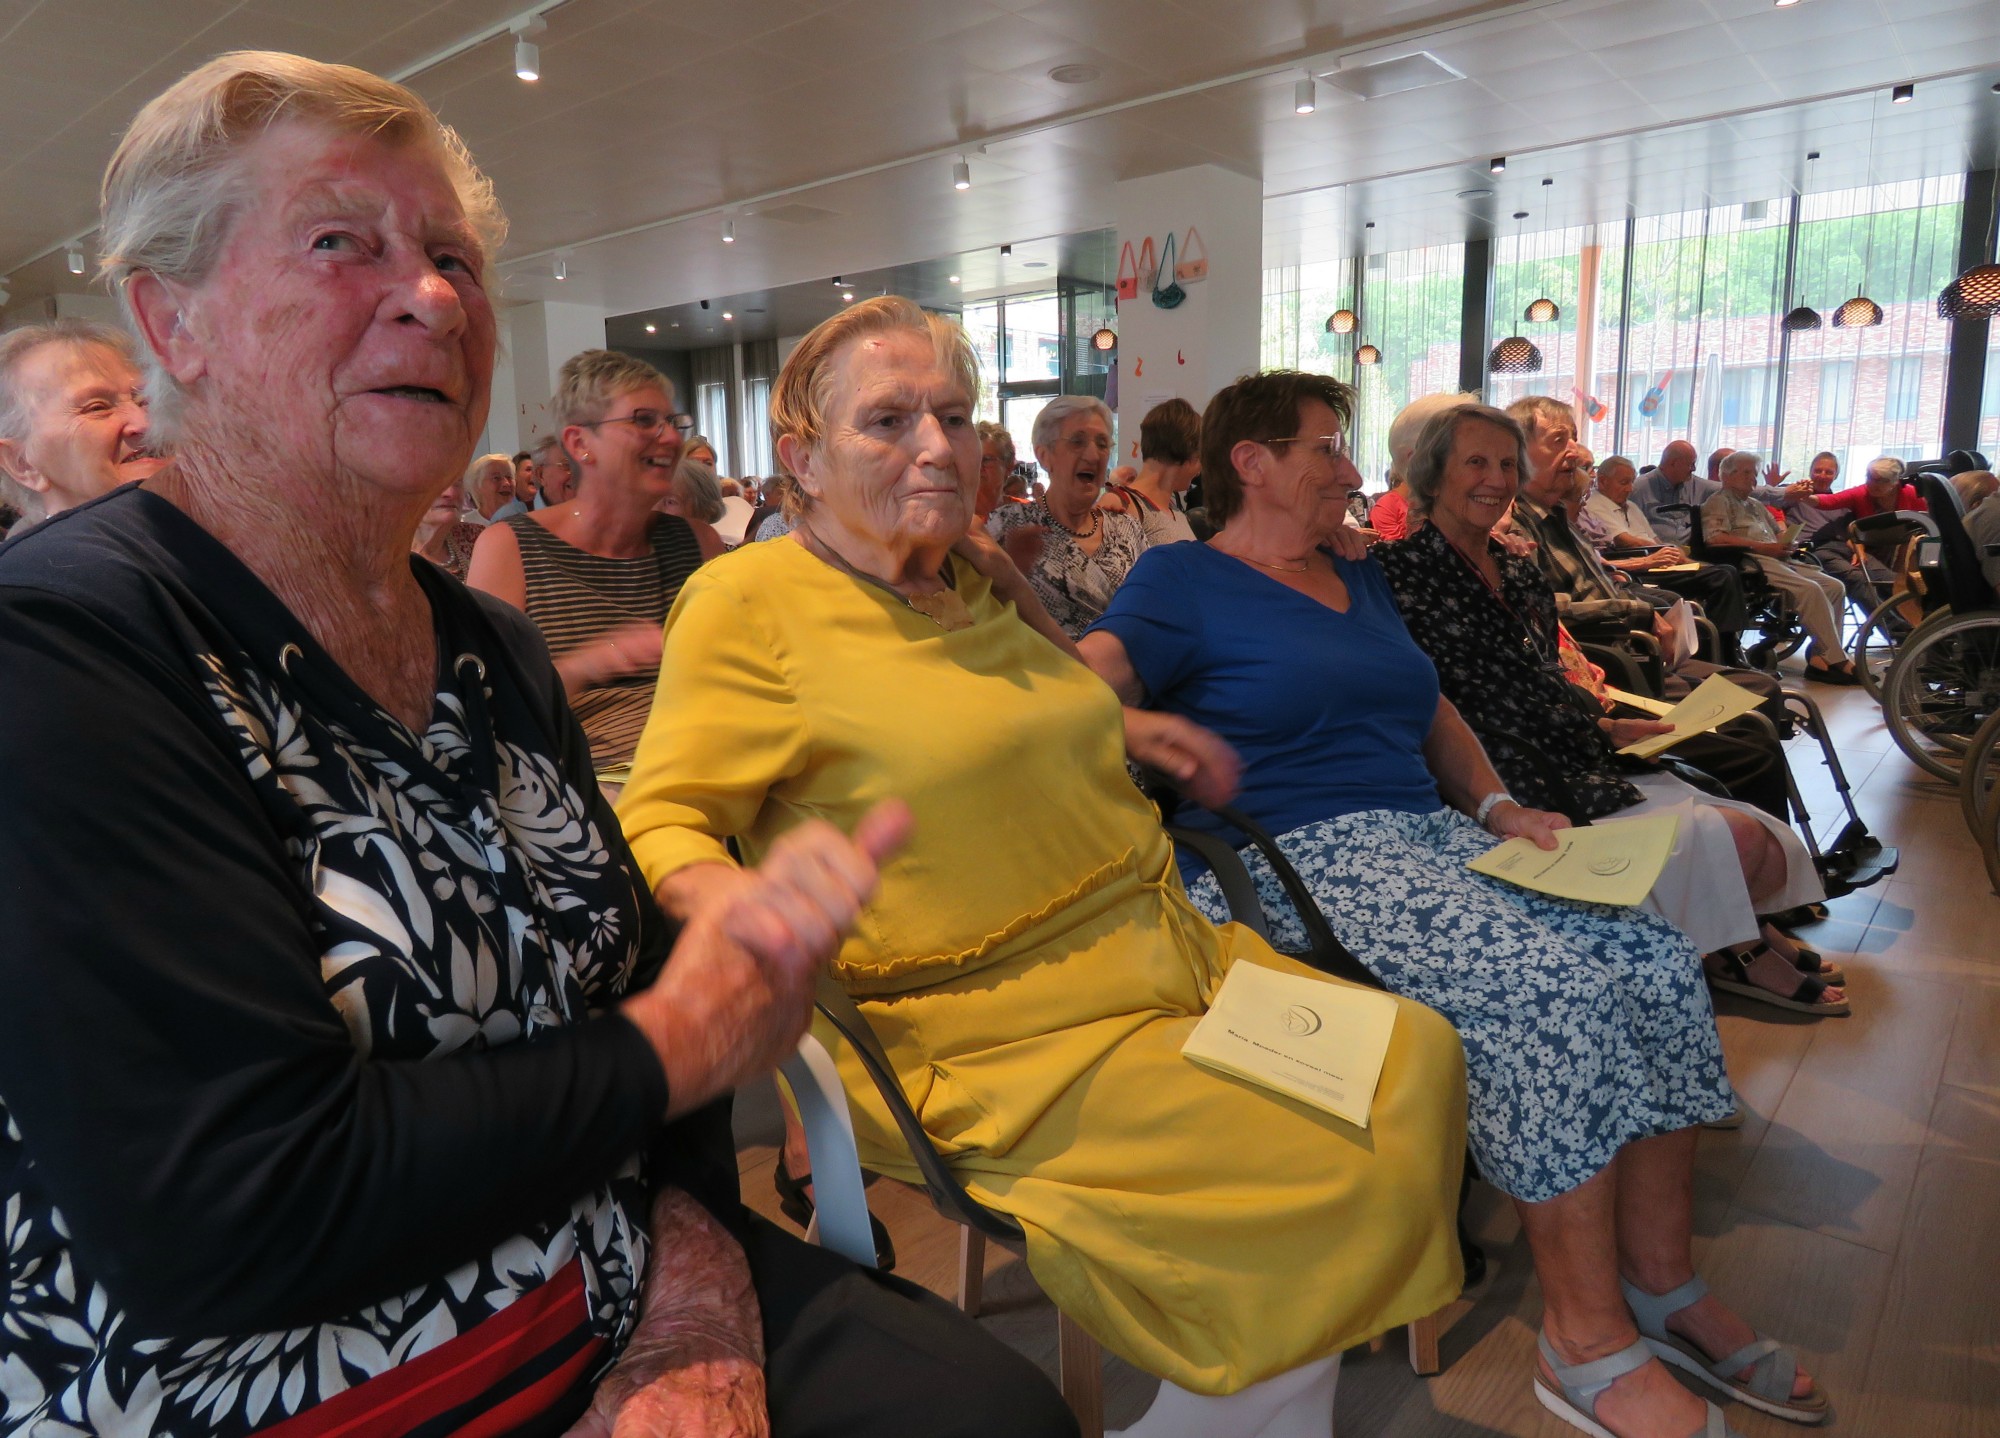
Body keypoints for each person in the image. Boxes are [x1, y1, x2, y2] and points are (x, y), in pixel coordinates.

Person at [0, 52, 1077, 1438]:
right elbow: (232, 1210)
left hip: (599, 1266)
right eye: (343, 243)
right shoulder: (67, 647)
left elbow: (625, 998)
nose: (435, 293)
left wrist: (692, 1287)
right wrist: (675, 1041)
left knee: (990, 1408)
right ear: (175, 318)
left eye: (453, 256)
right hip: (270, 1375)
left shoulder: (489, 650)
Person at [618, 297, 1468, 1433]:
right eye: (886, 420)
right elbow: (663, 815)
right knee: (1303, 1154)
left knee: (1407, 1059)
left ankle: (1236, 1408)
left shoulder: (961, 580)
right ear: (800, 463)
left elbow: (1011, 703)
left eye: (954, 416)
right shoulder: (746, 601)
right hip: (989, 1032)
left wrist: (1119, 729)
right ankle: (1232, 1413)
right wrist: (739, 902)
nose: (934, 444)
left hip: (1162, 958)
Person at [1080, 367, 1828, 1438]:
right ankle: (1581, 1342)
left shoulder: (1360, 574)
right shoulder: (1178, 584)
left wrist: (1493, 804)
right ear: (1251, 463)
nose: (1350, 468)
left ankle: (1660, 1288)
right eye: (1325, 446)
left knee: (1656, 963)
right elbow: (1080, 682)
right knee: (1547, 996)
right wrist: (1130, 725)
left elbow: (1426, 706)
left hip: (1422, 840)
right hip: (1294, 859)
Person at [1371, 405, 1843, 1018]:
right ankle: (1733, 946)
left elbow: (1544, 668)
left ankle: (1734, 933)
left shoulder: (1516, 567)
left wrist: (1603, 722)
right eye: (1476, 463)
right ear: (1431, 476)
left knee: (1756, 828)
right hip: (1504, 769)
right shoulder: (1390, 573)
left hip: (1572, 742)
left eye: (1508, 464)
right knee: (1738, 837)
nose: (1495, 478)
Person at [469, 350, 724, 774]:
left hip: (710, 763)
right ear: (580, 444)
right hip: (591, 784)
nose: (670, 438)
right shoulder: (511, 547)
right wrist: (594, 663)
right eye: (643, 420)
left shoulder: (697, 542)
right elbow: (488, 709)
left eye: (674, 423)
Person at [986, 394, 1144, 635]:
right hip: (1043, 669)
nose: (1093, 455)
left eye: (1102, 444)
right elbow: (976, 618)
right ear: (1044, 455)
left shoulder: (1128, 530)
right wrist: (1013, 570)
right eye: (1077, 442)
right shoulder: (1006, 525)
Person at [1702, 451, 1857, 683]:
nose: (1753, 479)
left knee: (1834, 586)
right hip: (1751, 561)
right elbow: (1715, 538)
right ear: (1727, 475)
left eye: (1754, 474)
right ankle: (1837, 659)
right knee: (1810, 589)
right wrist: (1762, 548)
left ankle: (1820, 659)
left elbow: (1778, 532)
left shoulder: (1755, 504)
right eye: (1746, 473)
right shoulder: (1718, 501)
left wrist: (1788, 541)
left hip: (1778, 557)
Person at [0, 319, 166, 528]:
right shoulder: (42, 559)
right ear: (22, 463)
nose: (145, 423)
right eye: (97, 408)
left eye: (144, 401)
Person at [1631, 438, 1803, 549]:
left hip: (1692, 552)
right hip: (1657, 551)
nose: (1694, 469)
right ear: (1674, 463)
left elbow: (1736, 487)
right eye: (1691, 464)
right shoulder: (1639, 488)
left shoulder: (1695, 484)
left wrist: (1783, 492)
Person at [1099, 396, 1198, 547]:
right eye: (1200, 456)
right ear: (1188, 452)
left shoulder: (1175, 511)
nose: (1201, 467)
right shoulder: (1121, 505)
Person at [412, 475, 483, 578]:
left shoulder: (476, 538)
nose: (451, 493)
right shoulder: (385, 557)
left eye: (457, 482)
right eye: (435, 484)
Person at [662, 455, 729, 552]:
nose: (655, 510)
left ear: (705, 511)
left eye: (670, 502)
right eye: (652, 501)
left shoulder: (722, 560)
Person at [463, 449, 521, 522]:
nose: (506, 483)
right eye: (496, 478)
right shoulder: (465, 525)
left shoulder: (528, 523)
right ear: (477, 486)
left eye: (509, 477)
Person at [972, 419, 1013, 521]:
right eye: (971, 459)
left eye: (986, 459)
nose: (978, 467)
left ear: (1008, 466)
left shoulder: (1027, 513)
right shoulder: (953, 516)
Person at [531, 430, 577, 506]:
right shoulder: (523, 515)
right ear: (541, 475)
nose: (577, 473)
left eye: (580, 466)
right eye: (567, 465)